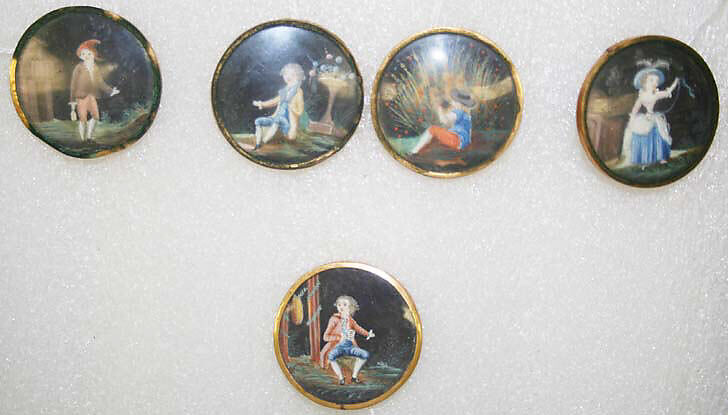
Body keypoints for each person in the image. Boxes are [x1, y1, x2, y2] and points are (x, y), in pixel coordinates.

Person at [621, 67, 679, 166]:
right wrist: (632, 118)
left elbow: (668, 92)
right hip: (643, 119)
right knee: (641, 134)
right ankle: (644, 159)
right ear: (644, 83)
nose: (654, 83)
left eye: (656, 81)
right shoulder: (641, 96)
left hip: (653, 117)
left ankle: (660, 157)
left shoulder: (656, 94)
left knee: (659, 134)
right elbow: (635, 108)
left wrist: (676, 82)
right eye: (651, 80)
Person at [69, 39, 120, 141]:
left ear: (93, 54)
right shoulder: (79, 67)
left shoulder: (95, 67)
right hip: (81, 97)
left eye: (89, 53)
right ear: (80, 56)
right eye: (83, 54)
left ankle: (89, 137)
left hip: (92, 96)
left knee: (95, 117)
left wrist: (111, 91)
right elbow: (73, 84)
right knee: (82, 119)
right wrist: (72, 101)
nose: (86, 56)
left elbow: (100, 82)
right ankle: (82, 140)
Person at [320, 295, 375, 385]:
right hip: (338, 346)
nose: (341, 307)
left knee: (365, 354)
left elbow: (359, 329)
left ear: (351, 307)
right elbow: (325, 337)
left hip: (350, 347)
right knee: (331, 356)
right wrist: (339, 338)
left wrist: (368, 334)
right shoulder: (334, 319)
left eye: (344, 304)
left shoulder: (351, 320)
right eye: (339, 305)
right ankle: (341, 378)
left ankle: (354, 377)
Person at [251, 63, 305, 148]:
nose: (288, 77)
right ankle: (258, 144)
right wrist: (261, 104)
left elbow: (300, 111)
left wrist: (291, 107)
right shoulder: (284, 91)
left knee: (278, 120)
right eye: (286, 74)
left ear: (298, 76)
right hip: (276, 118)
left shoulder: (298, 91)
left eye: (292, 75)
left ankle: (263, 143)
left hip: (288, 123)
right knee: (258, 121)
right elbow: (274, 101)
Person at [409, 88, 475, 154]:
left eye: (454, 101)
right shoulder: (466, 115)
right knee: (439, 133)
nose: (452, 103)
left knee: (432, 129)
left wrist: (440, 110)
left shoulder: (459, 112)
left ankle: (414, 151)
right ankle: (419, 150)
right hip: (463, 142)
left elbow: (444, 121)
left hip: (457, 141)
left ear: (460, 103)